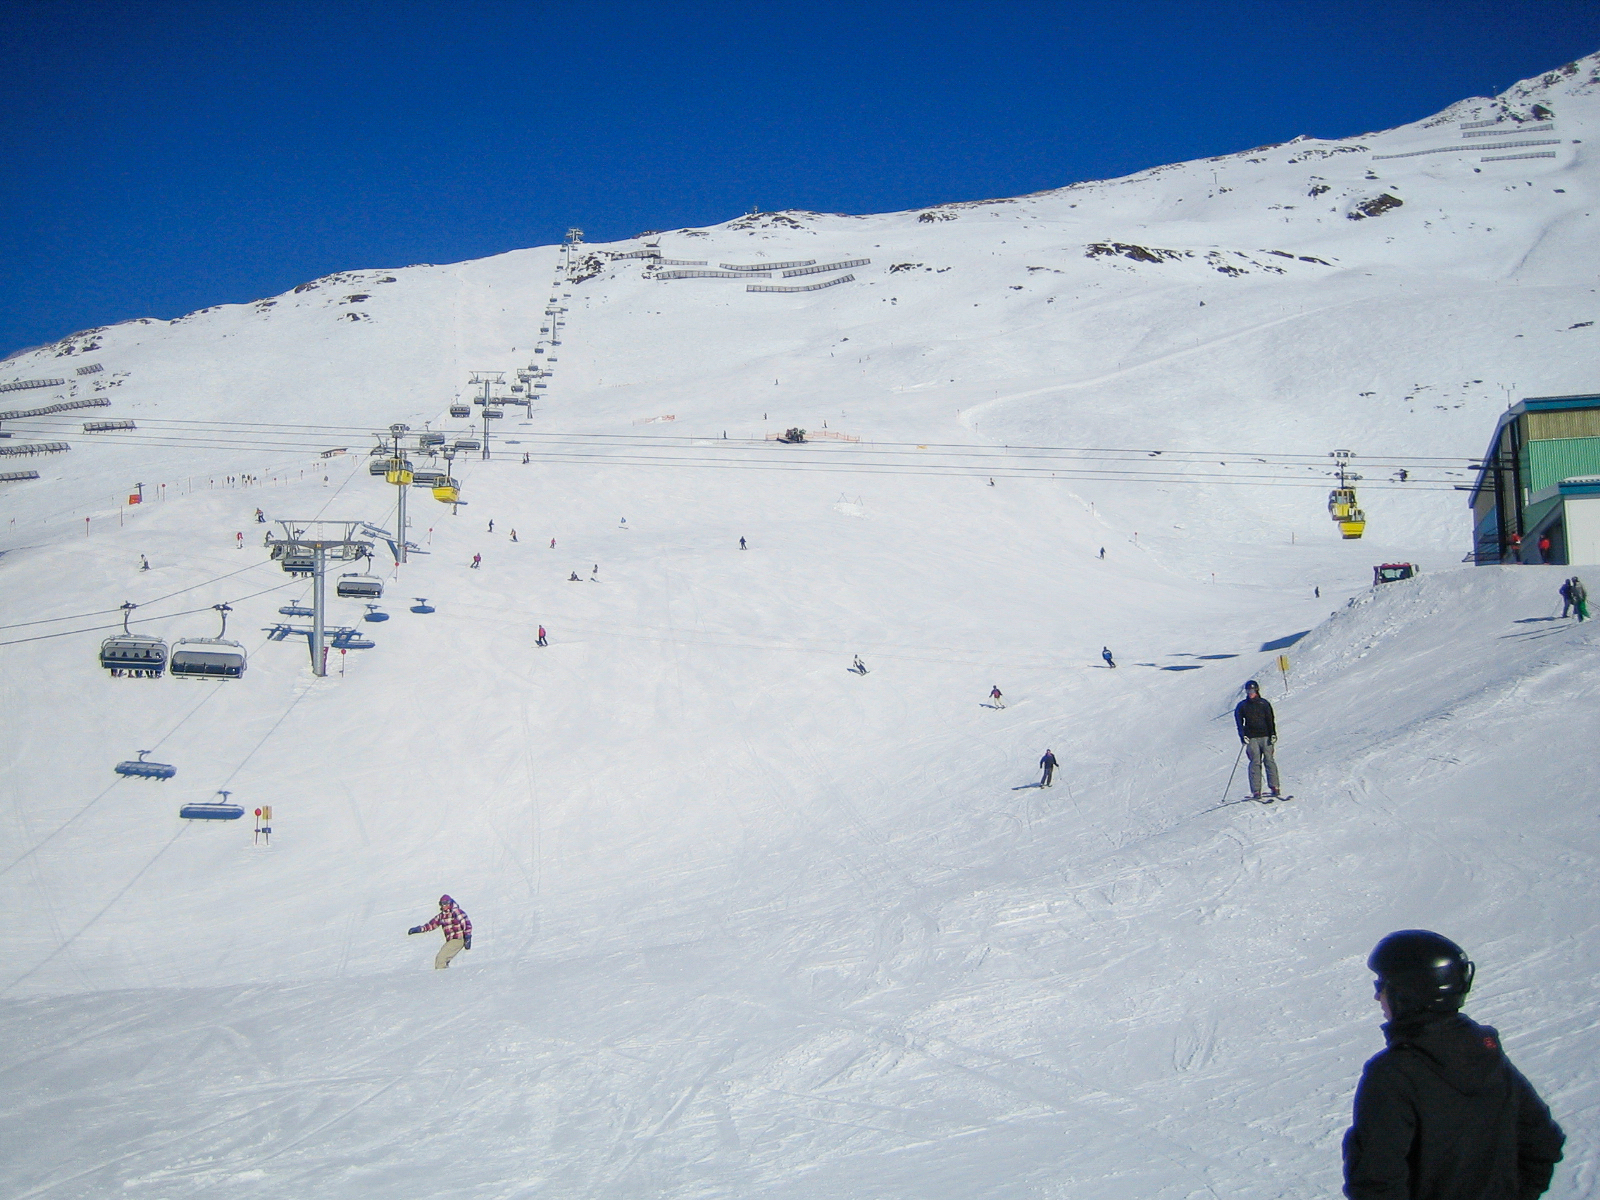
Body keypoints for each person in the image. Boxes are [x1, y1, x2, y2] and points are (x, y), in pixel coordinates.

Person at [1343, 930, 1564, 1199]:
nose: (1378, 997)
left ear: (1407, 994)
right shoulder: (1486, 1055)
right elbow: (1542, 1143)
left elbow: (1376, 1183)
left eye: (1382, 985)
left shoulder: (1393, 1075)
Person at [1233, 680, 1280, 799]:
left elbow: (1270, 719)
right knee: (1255, 762)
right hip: (1252, 738)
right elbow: (1239, 722)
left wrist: (1273, 733)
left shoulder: (1264, 704)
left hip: (1265, 736)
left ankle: (1274, 786)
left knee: (1269, 760)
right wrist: (1243, 736)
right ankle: (1256, 790)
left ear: (1257, 690)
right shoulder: (1243, 706)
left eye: (1252, 691)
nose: (1250, 693)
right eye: (1248, 691)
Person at [408, 895, 473, 970]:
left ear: (450, 903)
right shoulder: (442, 916)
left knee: (441, 958)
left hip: (458, 939)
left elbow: (466, 924)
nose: (444, 906)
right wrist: (419, 929)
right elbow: (431, 925)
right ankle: (444, 972)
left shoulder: (456, 912)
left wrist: (467, 937)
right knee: (442, 958)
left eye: (446, 903)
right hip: (451, 940)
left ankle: (442, 975)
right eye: (442, 904)